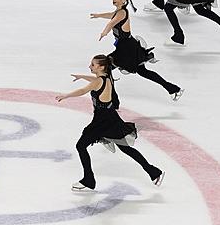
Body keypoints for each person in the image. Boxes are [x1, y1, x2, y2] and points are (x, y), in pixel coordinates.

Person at [56, 54, 165, 192]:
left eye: (93, 65)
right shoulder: (107, 77)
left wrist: (66, 95)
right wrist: (83, 77)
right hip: (111, 117)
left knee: (81, 146)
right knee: (124, 148)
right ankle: (153, 172)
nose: (90, 66)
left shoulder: (98, 82)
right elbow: (95, 81)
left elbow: (84, 90)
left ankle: (89, 180)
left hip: (102, 121)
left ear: (101, 67)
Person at [91, 0, 183, 100]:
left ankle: (113, 101)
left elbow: (112, 23)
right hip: (126, 46)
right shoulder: (119, 11)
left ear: (124, 0)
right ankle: (173, 89)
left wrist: (104, 32)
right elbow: (112, 15)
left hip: (127, 48)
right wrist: (99, 15)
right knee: (143, 71)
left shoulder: (122, 13)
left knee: (107, 67)